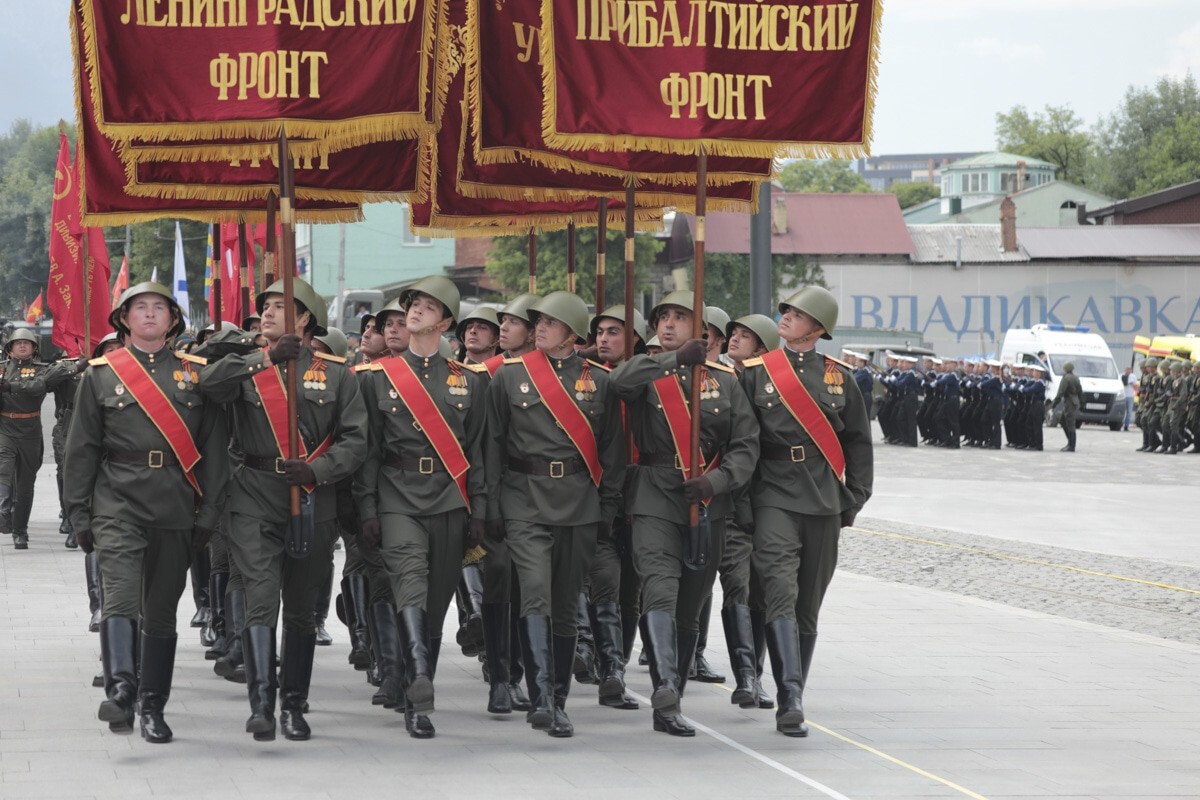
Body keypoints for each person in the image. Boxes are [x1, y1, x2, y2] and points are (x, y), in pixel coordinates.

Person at [200, 277, 366, 742]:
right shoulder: (248, 364)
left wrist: (318, 471)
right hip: (252, 494)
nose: (267, 314)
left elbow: (356, 441)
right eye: (266, 307)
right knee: (259, 595)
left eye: (280, 306)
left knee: (297, 610)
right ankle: (261, 703)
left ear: (306, 318)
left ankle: (293, 703)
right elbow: (208, 385)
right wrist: (265, 358)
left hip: (313, 499)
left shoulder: (337, 373)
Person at [65, 282, 229, 742]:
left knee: (159, 612)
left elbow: (214, 451)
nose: (151, 314)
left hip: (177, 503)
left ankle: (152, 705)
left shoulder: (196, 375)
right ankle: (120, 692)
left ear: (174, 320)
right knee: (118, 597)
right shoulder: (100, 374)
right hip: (117, 501)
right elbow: (81, 449)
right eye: (141, 308)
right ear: (125, 319)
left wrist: (210, 513)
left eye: (160, 308)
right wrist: (79, 513)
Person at [610, 290, 758, 737]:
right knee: (658, 589)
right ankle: (664, 692)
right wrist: (672, 361)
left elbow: (746, 444)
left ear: (702, 330)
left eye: (680, 317)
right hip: (654, 498)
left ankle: (674, 678)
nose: (669, 324)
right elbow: (618, 384)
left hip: (707, 504)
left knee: (690, 605)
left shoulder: (725, 382)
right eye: (664, 318)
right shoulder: (648, 371)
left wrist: (716, 482)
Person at [485, 291, 624, 738]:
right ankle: (541, 694)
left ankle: (558, 700)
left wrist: (606, 509)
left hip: (579, 503)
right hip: (523, 499)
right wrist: (488, 505)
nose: (539, 327)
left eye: (549, 321)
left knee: (566, 605)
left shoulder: (599, 381)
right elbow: (491, 444)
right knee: (536, 592)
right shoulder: (508, 377)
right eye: (537, 321)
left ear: (571, 333)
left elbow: (613, 452)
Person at [355, 277, 488, 739]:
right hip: (397, 496)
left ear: (445, 321)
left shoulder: (469, 381)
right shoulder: (377, 379)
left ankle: (418, 684)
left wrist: (481, 510)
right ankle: (419, 685)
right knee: (409, 584)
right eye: (413, 305)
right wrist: (368, 507)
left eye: (428, 307)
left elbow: (481, 452)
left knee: (434, 602)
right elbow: (368, 449)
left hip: (450, 499)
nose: (415, 312)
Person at [741, 286, 873, 738]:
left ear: (817, 328)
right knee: (778, 588)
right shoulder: (756, 374)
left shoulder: (841, 378)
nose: (786, 318)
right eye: (786, 311)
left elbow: (857, 442)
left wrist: (852, 498)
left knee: (808, 602)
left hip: (823, 499)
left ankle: (794, 687)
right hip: (773, 493)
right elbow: (740, 441)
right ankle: (790, 696)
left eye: (797, 314)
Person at [578, 304, 648, 711]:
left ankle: (614, 663)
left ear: (635, 338)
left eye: (614, 332)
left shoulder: (645, 375)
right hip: (599, 490)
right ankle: (605, 664)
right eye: (599, 332)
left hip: (639, 494)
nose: (603, 338)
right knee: (602, 579)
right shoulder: (586, 378)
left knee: (631, 591)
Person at [477, 293, 540, 715]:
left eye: (513, 322)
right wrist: (486, 504)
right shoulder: (491, 374)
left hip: (548, 500)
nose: (503, 327)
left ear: (534, 331)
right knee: (500, 578)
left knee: (531, 589)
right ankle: (500, 677)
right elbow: (486, 444)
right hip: (503, 495)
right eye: (501, 320)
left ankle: (525, 675)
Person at [720, 314, 780, 711]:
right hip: (726, 503)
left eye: (745, 337)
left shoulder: (769, 389)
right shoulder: (720, 382)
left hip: (764, 505)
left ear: (762, 350)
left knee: (757, 592)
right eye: (734, 334)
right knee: (738, 586)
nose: (735, 340)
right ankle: (745, 675)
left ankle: (753, 675)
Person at [0, 328, 81, 550]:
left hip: (30, 431)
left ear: (34, 348)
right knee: (3, 470)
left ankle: (20, 531)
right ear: (10, 348)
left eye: (27, 343)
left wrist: (82, 363)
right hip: (5, 428)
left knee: (26, 486)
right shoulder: (2, 369)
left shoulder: (43, 371)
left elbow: (40, 386)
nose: (23, 346)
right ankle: (3, 511)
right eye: (18, 343)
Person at [1054, 361, 1082, 452]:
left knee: (1070, 424)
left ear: (1065, 369)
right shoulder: (1076, 378)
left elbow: (1061, 392)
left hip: (1069, 401)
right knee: (1063, 420)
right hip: (1074, 401)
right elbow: (1080, 391)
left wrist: (1054, 403)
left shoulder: (1066, 378)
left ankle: (1071, 445)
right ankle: (1070, 442)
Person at [1121, 366, 1137, 432]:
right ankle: (1120, 424)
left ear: (1131, 370)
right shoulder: (1121, 375)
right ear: (1124, 370)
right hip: (1123, 395)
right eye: (1127, 369)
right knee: (1122, 411)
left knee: (1129, 411)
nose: (1128, 371)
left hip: (1130, 396)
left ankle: (1126, 426)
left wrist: (1132, 384)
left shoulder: (1133, 376)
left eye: (1129, 369)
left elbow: (1136, 386)